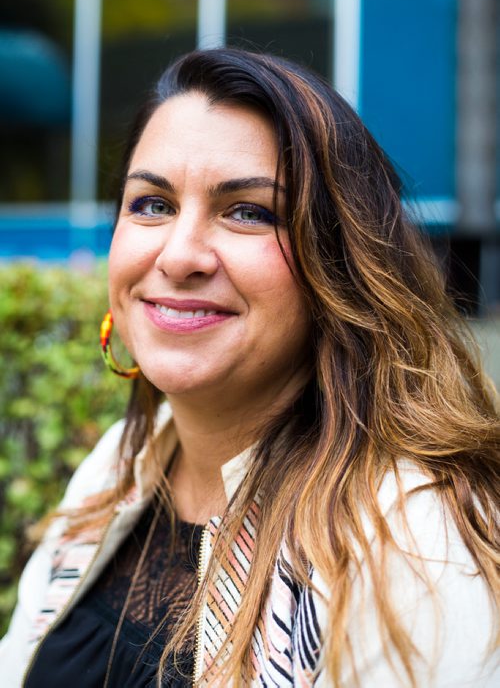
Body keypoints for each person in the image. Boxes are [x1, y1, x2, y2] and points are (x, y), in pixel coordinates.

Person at [1, 48, 499, 688]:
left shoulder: (414, 544)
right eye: (152, 203)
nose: (180, 256)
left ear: (340, 268)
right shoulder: (116, 468)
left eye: (249, 212)